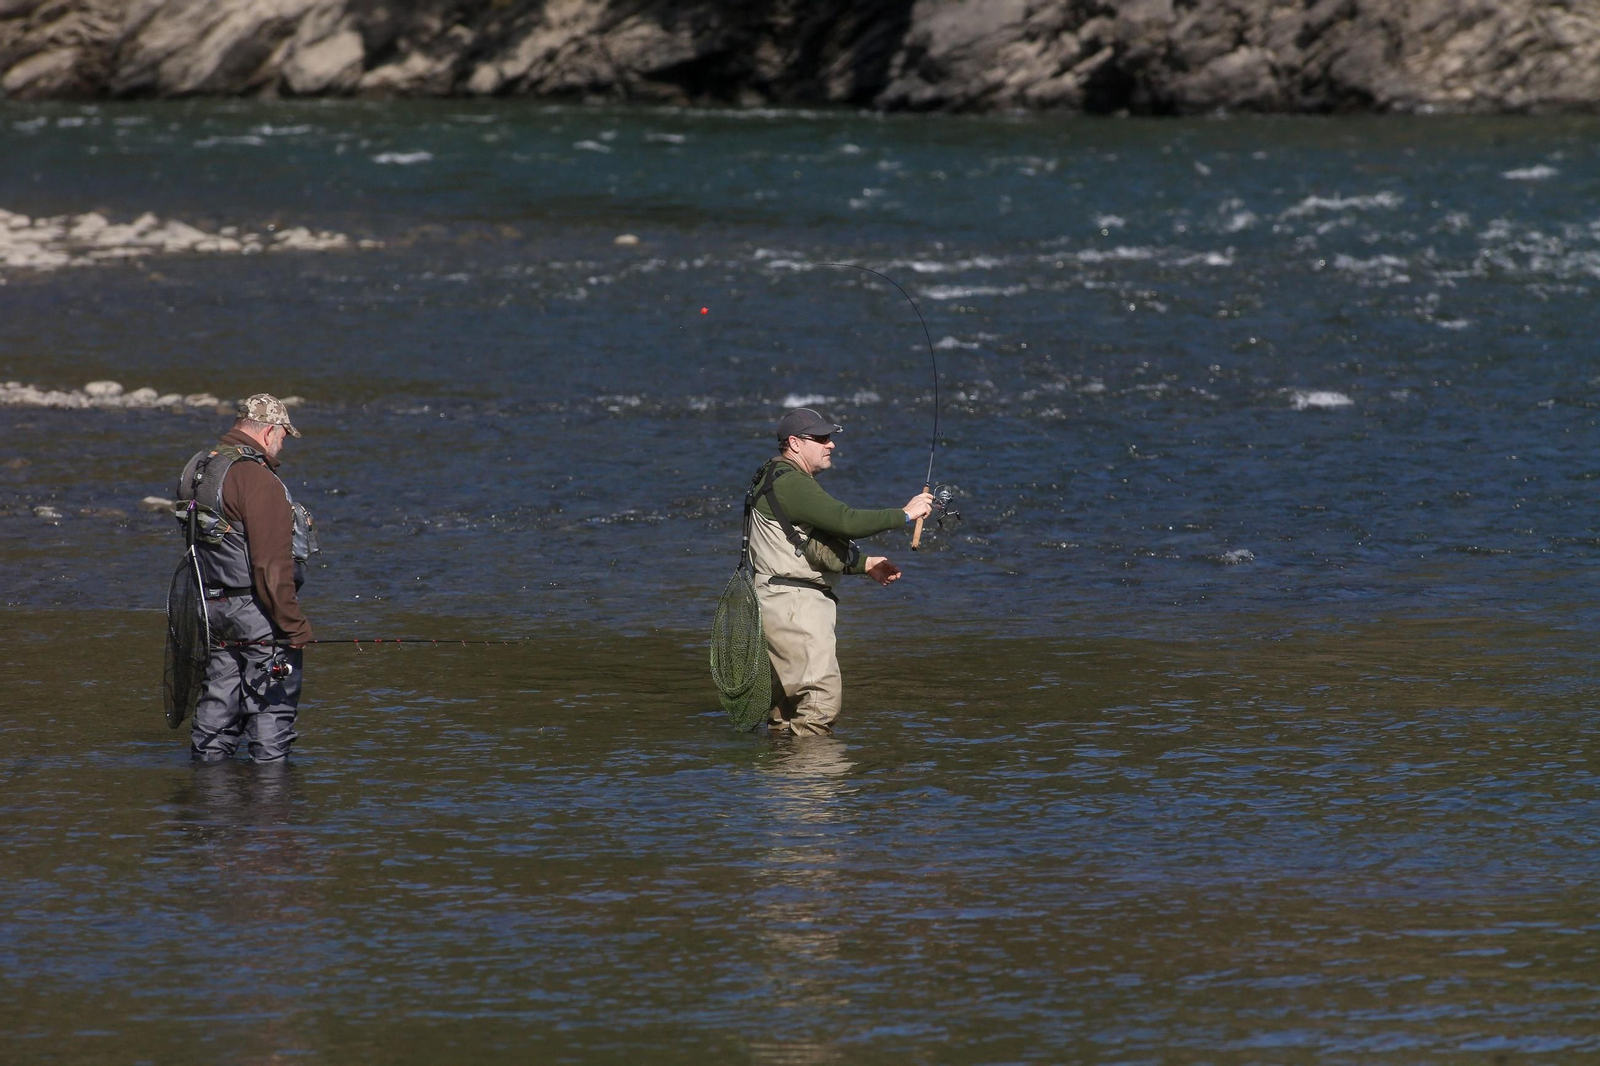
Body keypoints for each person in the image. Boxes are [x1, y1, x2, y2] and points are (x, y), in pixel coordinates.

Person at [747, 407, 933, 736]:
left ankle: (783, 779)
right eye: (820, 438)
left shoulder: (775, 476)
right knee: (821, 701)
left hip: (776, 601)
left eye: (830, 437)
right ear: (794, 443)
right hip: (794, 605)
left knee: (786, 708)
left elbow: (807, 543)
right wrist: (905, 514)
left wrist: (864, 564)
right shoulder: (791, 483)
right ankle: (814, 781)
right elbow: (845, 521)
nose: (830, 444)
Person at [175, 394, 318, 762]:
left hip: (210, 608)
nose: (282, 445)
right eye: (284, 436)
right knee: (272, 711)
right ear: (269, 432)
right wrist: (294, 626)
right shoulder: (257, 479)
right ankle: (272, 808)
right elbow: (271, 567)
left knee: (217, 710)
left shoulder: (198, 468)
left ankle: (207, 801)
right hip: (257, 614)